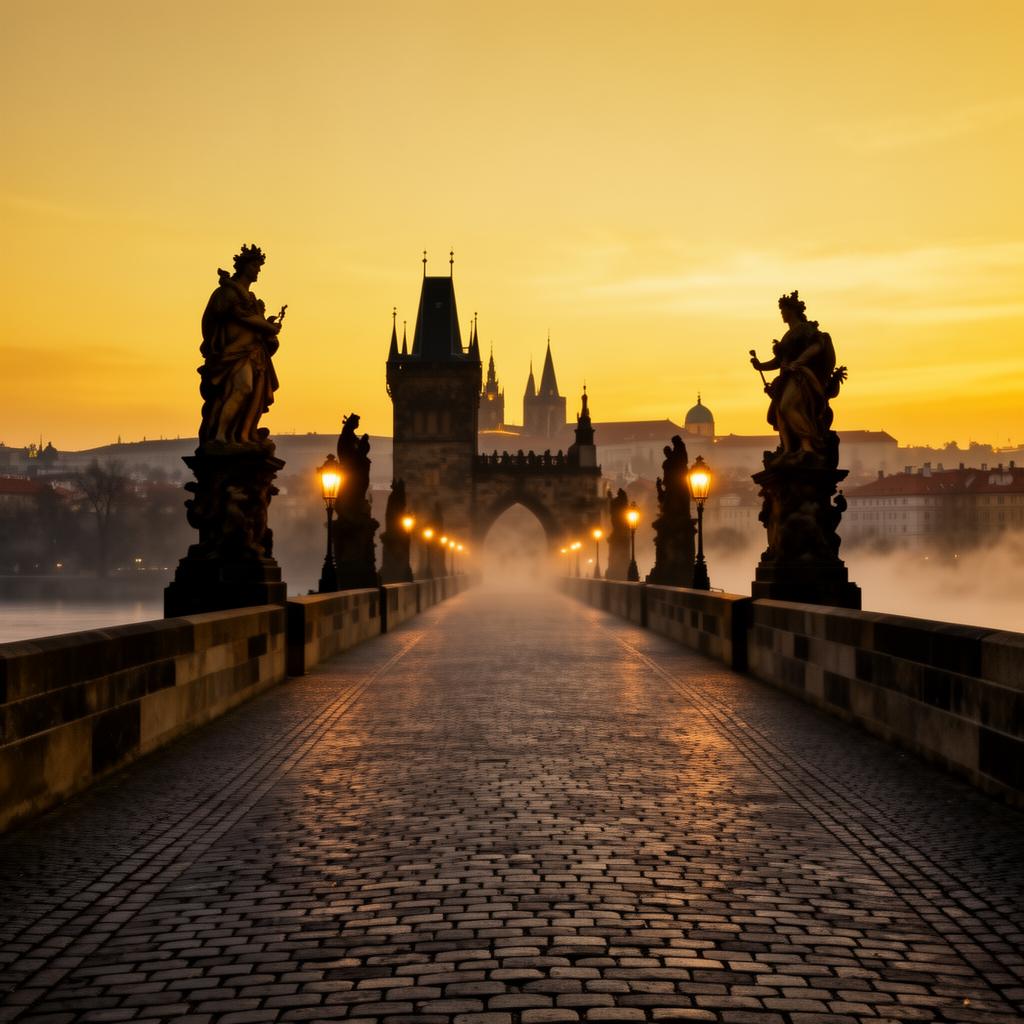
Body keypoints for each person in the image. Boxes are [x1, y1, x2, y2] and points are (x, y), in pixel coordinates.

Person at [199, 244, 282, 446]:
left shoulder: (251, 299)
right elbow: (241, 317)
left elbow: (253, 324)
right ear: (243, 266)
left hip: (254, 354)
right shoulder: (227, 293)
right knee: (242, 388)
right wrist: (268, 327)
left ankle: (243, 435)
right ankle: (220, 436)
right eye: (255, 266)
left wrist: (268, 329)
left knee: (252, 397)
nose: (258, 271)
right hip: (234, 352)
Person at [750, 291, 839, 458]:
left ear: (792, 311)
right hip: (786, 377)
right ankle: (789, 449)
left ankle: (809, 444)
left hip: (799, 377)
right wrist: (760, 366)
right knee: (780, 413)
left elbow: (817, 346)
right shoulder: (788, 335)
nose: (782, 314)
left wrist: (799, 361)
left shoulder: (805, 328)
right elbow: (779, 361)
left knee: (787, 407)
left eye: (783, 310)